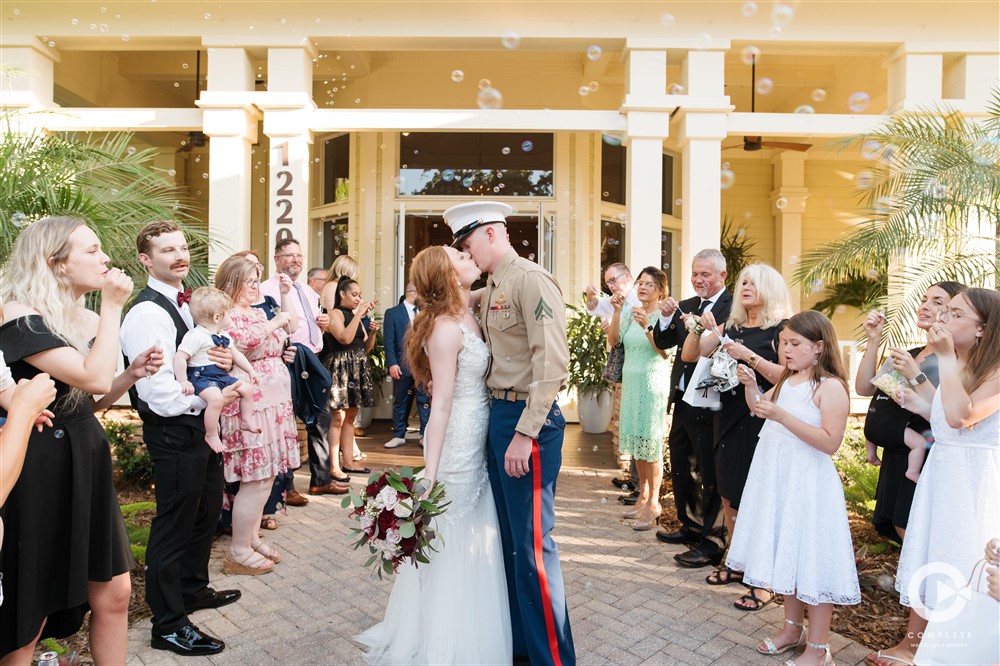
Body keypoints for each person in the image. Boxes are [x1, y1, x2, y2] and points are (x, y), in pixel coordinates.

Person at [0, 217, 163, 662]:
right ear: (57, 263)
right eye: (91, 250)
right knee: (31, 603)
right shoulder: (17, 313)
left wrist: (127, 376)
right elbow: (91, 377)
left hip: (84, 453)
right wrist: (113, 309)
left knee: (114, 592)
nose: (106, 258)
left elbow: (87, 400)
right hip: (35, 463)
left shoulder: (88, 317)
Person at [357, 245, 512, 663]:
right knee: (453, 533)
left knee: (475, 528)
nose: (469, 255)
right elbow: (440, 403)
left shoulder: (467, 310)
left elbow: (495, 286)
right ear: (447, 273)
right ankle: (448, 638)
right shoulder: (445, 329)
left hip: (479, 433)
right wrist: (431, 469)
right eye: (460, 255)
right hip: (458, 439)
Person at [452, 200, 575, 666]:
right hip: (499, 418)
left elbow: (552, 362)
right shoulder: (495, 284)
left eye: (468, 245)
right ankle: (524, 651)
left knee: (533, 550)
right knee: (510, 545)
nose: (468, 254)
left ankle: (554, 661)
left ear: (489, 233)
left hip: (529, 421)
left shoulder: (529, 279)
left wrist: (526, 432)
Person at [120, 220, 241, 657]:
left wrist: (223, 361)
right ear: (145, 260)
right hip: (173, 429)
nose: (179, 255)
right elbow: (155, 389)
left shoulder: (189, 305)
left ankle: (192, 589)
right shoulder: (148, 311)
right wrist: (207, 401)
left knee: (205, 509)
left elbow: (196, 357)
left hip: (196, 426)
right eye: (167, 249)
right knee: (173, 524)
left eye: (182, 246)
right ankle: (168, 624)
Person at [867, 288, 1000, 666]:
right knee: (937, 560)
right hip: (943, 475)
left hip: (973, 484)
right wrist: (915, 389)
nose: (942, 318)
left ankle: (961, 655)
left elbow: (962, 417)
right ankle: (930, 651)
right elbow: (940, 414)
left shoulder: (996, 370)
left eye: (955, 314)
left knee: (962, 566)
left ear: (982, 330)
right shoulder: (963, 365)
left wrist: (944, 358)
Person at [728, 311, 860, 666]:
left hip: (808, 482)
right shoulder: (789, 379)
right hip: (778, 476)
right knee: (787, 551)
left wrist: (782, 416)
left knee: (812, 559)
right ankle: (790, 629)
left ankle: (819, 648)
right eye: (783, 343)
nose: (785, 350)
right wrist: (750, 385)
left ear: (818, 347)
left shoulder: (829, 387)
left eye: (794, 344)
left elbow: (830, 442)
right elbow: (759, 409)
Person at [682, 263, 791, 611]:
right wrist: (715, 328)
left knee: (755, 497)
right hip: (727, 413)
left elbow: (787, 375)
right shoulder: (735, 323)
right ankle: (736, 558)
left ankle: (764, 579)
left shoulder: (781, 329)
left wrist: (749, 356)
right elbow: (702, 350)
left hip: (760, 419)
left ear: (769, 288)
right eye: (743, 281)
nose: (745, 287)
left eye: (753, 283)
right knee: (729, 492)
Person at [855, 282, 965, 540]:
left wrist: (915, 376)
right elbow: (864, 388)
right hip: (895, 452)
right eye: (925, 299)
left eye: (938, 302)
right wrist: (873, 341)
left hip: (923, 454)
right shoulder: (909, 354)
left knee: (913, 527)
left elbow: (949, 411)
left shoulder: (956, 361)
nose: (925, 306)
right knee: (897, 525)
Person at [215, 256, 301, 575]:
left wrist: (285, 293)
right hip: (249, 403)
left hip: (274, 403)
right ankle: (238, 549)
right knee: (255, 477)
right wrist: (274, 323)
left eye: (256, 281)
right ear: (231, 282)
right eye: (249, 281)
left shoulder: (254, 310)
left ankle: (251, 538)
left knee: (267, 476)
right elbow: (246, 341)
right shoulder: (227, 315)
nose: (254, 287)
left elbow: (291, 324)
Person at [651, 249, 732, 569]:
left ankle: (712, 541)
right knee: (683, 462)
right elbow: (662, 340)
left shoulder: (732, 308)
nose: (699, 280)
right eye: (695, 274)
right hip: (683, 399)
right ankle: (690, 525)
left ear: (723, 276)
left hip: (713, 401)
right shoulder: (685, 305)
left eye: (706, 274)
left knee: (710, 471)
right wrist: (668, 316)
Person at [260, 240, 345, 498]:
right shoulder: (267, 290)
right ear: (276, 259)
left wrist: (323, 322)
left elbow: (313, 322)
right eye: (289, 256)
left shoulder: (308, 291)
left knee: (321, 417)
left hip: (312, 357)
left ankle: (320, 480)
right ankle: (287, 487)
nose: (296, 260)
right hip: (288, 357)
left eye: (299, 255)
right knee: (285, 421)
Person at [608, 266, 671, 530]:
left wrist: (648, 326)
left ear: (660, 290)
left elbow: (664, 352)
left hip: (652, 383)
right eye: (640, 283)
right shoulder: (630, 314)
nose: (643, 288)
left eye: (649, 284)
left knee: (651, 443)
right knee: (637, 442)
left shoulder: (664, 316)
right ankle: (643, 496)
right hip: (632, 383)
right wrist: (617, 311)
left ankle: (654, 502)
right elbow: (614, 340)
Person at [174, 287, 262, 451]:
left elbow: (237, 356)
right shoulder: (196, 336)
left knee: (248, 389)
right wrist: (183, 380)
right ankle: (212, 434)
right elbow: (180, 357)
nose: (231, 316)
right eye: (228, 313)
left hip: (221, 376)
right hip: (202, 378)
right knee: (216, 400)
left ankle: (246, 419)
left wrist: (250, 371)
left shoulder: (224, 335)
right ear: (217, 317)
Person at [586, 263, 641, 498]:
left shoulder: (639, 300)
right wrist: (591, 297)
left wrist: (616, 324)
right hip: (627, 369)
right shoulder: (617, 301)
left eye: (613, 280)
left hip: (640, 369)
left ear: (627, 277)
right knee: (631, 424)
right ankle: (634, 478)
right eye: (607, 282)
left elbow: (638, 331)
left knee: (640, 427)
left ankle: (641, 487)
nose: (610, 286)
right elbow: (594, 308)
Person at [321, 276, 379, 483]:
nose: (358, 299)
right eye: (354, 294)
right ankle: (333, 466)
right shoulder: (334, 314)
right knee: (337, 418)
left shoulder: (355, 315)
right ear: (342, 294)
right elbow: (344, 339)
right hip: (340, 368)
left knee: (350, 418)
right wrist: (358, 315)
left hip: (357, 367)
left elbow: (366, 347)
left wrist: (371, 332)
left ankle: (348, 462)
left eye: (360, 295)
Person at [383, 283, 431, 449]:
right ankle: (398, 435)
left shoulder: (425, 314)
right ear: (413, 292)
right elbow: (388, 342)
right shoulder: (393, 313)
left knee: (424, 399)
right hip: (401, 365)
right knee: (400, 400)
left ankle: (425, 435)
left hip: (422, 366)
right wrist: (392, 363)